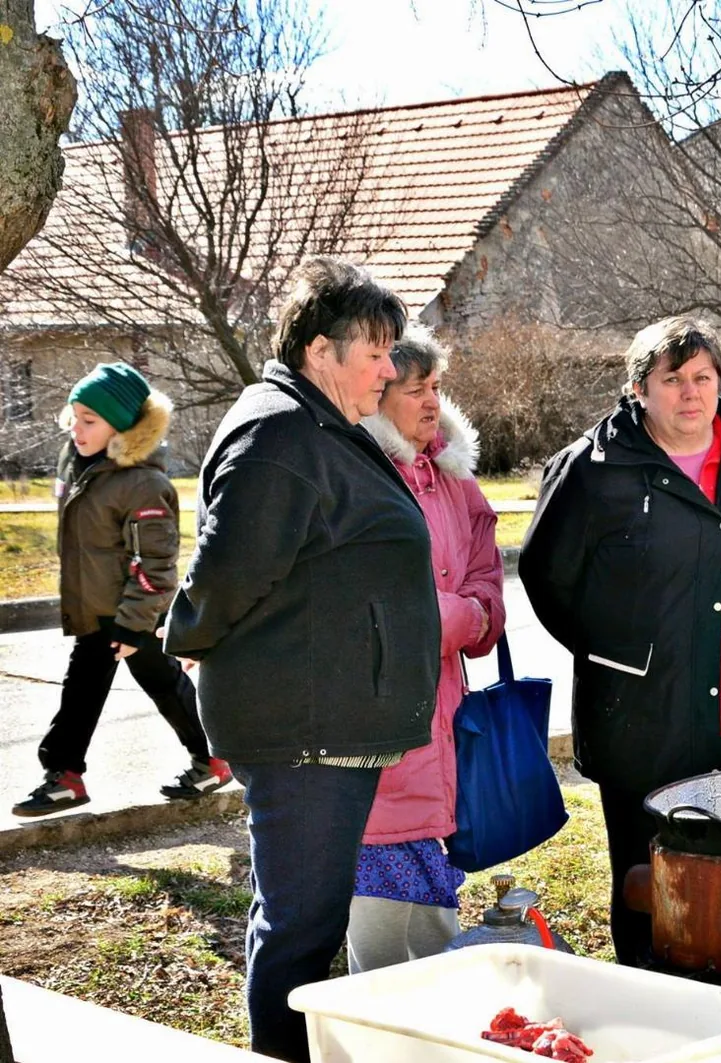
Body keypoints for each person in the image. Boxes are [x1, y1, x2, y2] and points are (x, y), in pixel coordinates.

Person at [164, 258, 440, 1063]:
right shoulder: (281, 430)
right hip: (305, 729)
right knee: (299, 929)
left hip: (327, 722)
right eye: (377, 351)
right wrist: (188, 639)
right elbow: (230, 570)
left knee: (304, 921)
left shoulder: (317, 424)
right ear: (322, 349)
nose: (390, 369)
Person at [521, 316, 721, 967]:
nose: (690, 393)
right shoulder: (594, 467)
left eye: (703, 376)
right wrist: (621, 657)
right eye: (671, 379)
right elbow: (545, 575)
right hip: (649, 718)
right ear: (638, 388)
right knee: (653, 885)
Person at [345, 325, 506, 972]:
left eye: (436, 387)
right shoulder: (361, 477)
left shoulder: (455, 483)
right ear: (379, 394)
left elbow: (487, 584)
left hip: (443, 714)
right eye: (416, 390)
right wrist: (451, 617)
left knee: (437, 909)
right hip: (381, 722)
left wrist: (468, 615)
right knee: (383, 920)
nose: (431, 402)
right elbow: (371, 605)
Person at [12, 363, 226, 817]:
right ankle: (69, 775)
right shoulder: (82, 468)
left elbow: (157, 562)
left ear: (122, 427)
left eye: (90, 420)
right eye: (74, 416)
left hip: (132, 611)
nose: (77, 428)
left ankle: (209, 759)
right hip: (97, 608)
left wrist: (132, 624)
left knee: (141, 685)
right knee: (119, 685)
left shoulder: (142, 483)